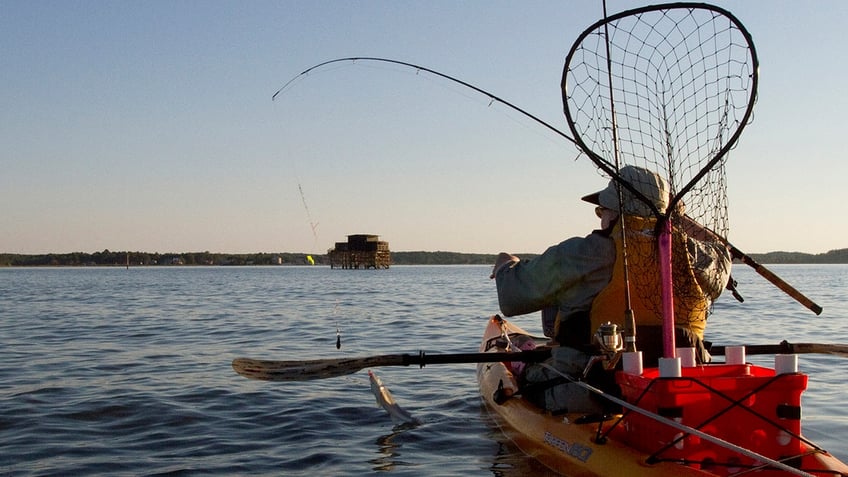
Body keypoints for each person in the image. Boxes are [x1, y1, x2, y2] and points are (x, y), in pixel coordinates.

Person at [491, 166, 732, 368]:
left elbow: (512, 299)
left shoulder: (583, 253)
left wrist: (505, 264)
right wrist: (668, 215)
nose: (600, 217)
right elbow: (722, 251)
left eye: (601, 211)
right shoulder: (701, 257)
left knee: (535, 369)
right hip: (680, 383)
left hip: (593, 387)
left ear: (615, 214)